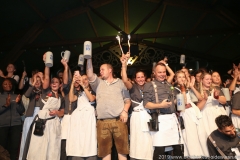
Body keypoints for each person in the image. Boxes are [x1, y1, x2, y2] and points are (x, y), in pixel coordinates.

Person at [86, 58, 131, 160]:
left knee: (122, 151)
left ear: (110, 70)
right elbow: (89, 75)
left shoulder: (120, 83)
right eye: (100, 70)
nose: (100, 71)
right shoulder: (98, 83)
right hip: (102, 122)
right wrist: (89, 58)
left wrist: (125, 111)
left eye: (103, 69)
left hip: (119, 121)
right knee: (104, 153)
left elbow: (128, 100)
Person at [22, 53, 65, 160]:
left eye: (56, 82)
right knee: (38, 149)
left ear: (60, 85)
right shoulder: (45, 91)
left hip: (54, 124)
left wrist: (57, 113)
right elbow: (46, 77)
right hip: (41, 123)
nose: (54, 83)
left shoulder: (61, 97)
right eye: (52, 82)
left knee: (52, 149)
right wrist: (47, 64)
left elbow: (62, 112)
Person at [143, 62, 184, 160]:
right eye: (159, 72)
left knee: (178, 148)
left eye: (164, 72)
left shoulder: (169, 85)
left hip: (172, 119)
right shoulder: (149, 85)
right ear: (154, 73)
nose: (162, 74)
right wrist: (160, 105)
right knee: (159, 149)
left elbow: (175, 101)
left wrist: (179, 100)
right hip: (160, 119)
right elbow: (146, 104)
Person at [120, 53, 153, 160]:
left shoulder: (149, 86)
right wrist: (124, 65)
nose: (140, 79)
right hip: (136, 117)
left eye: (142, 77)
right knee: (137, 139)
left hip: (148, 116)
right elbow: (125, 80)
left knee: (148, 140)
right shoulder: (132, 87)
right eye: (138, 77)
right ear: (135, 79)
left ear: (145, 77)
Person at [174, 70, 204, 158]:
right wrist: (183, 89)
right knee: (190, 136)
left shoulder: (188, 88)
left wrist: (191, 86)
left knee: (197, 135)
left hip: (193, 112)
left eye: (183, 77)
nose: (182, 79)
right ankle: (193, 156)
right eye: (179, 77)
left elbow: (200, 98)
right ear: (176, 79)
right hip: (185, 113)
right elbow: (183, 103)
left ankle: (198, 155)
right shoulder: (174, 89)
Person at [67, 73, 97, 160]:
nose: (83, 81)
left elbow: (91, 99)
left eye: (85, 79)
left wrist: (83, 86)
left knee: (89, 140)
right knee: (79, 139)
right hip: (79, 119)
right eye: (82, 79)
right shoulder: (80, 93)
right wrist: (72, 84)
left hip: (89, 119)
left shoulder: (93, 91)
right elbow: (71, 99)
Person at [18, 71, 46, 160]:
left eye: (39, 81)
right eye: (35, 81)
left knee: (38, 139)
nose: (37, 82)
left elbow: (46, 91)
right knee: (26, 137)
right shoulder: (31, 91)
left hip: (40, 116)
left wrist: (42, 79)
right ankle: (24, 157)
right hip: (30, 116)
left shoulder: (44, 91)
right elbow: (26, 94)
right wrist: (33, 84)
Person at [0, 78, 25, 160]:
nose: (8, 85)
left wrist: (18, 103)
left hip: (16, 125)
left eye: (10, 83)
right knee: (2, 149)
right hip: (2, 126)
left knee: (14, 148)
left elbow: (22, 110)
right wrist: (5, 106)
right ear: (1, 86)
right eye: (5, 84)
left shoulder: (16, 96)